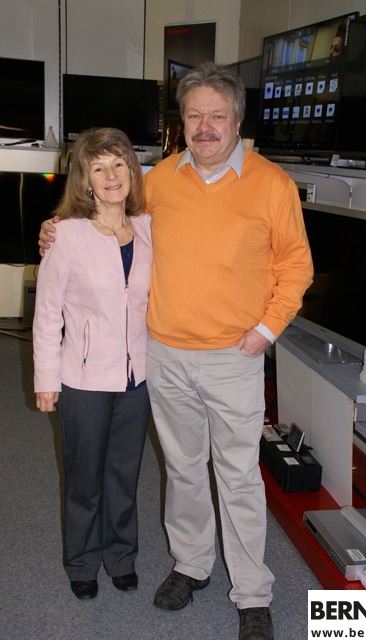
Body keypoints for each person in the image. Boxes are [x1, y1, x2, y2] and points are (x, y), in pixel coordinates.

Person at [39, 62, 313, 640]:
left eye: (217, 116)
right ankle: (192, 565)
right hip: (162, 355)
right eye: (194, 116)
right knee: (184, 471)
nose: (205, 127)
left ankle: (253, 594)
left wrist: (265, 332)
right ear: (181, 123)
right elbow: (105, 222)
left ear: (237, 119)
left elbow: (295, 268)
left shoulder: (272, 185)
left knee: (238, 477)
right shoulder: (159, 180)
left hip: (234, 356)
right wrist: (55, 228)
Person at [33, 127, 152, 601]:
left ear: (132, 172)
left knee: (124, 475)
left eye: (119, 164)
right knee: (84, 478)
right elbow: (46, 316)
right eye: (98, 167)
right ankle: (82, 562)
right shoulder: (64, 235)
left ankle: (121, 557)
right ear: (84, 180)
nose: (111, 175)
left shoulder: (148, 228)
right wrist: (46, 380)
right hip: (82, 379)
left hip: (137, 378)